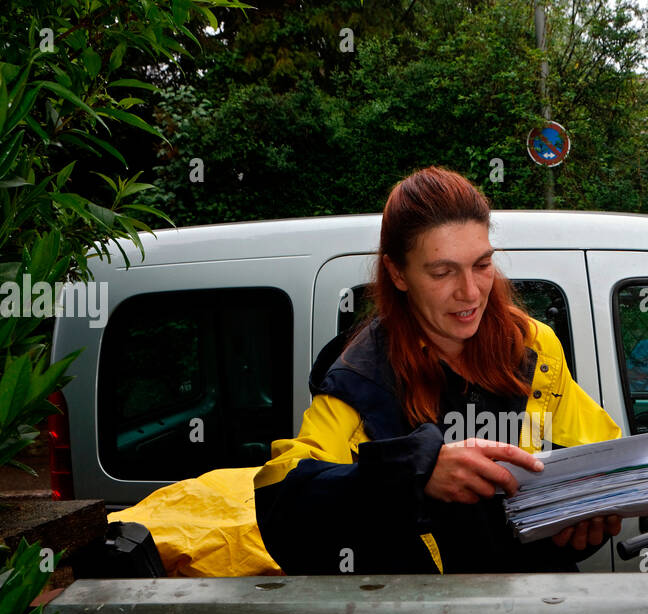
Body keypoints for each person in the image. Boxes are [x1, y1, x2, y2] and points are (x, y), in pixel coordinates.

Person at [253, 166, 623, 574]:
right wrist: (415, 473)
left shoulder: (532, 345)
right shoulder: (359, 376)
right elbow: (283, 510)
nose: (470, 292)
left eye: (482, 264)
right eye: (442, 272)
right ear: (398, 274)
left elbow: (602, 460)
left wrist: (583, 523)